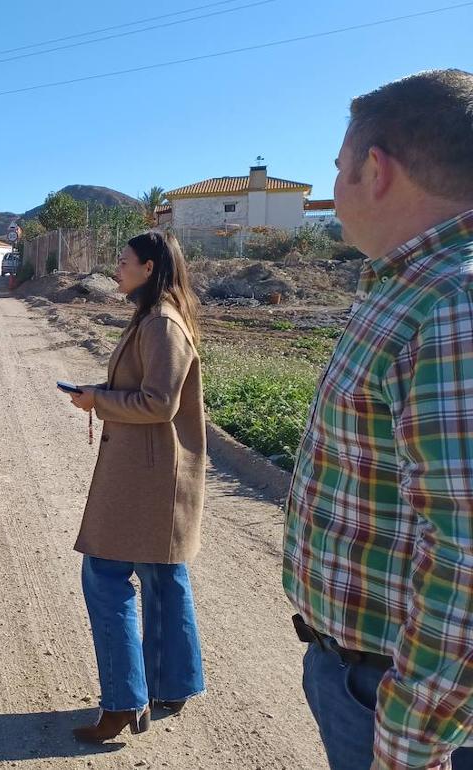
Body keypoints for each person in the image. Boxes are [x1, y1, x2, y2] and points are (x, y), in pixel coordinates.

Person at [284, 69, 473, 770]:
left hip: (399, 706)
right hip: (365, 676)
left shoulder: (454, 302)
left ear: (375, 168)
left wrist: (408, 742)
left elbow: (467, 557)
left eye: (338, 170)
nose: (333, 192)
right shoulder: (420, 285)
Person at [66, 230, 207, 742]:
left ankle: (125, 700)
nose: (117, 268)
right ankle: (175, 683)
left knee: (103, 576)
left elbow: (159, 403)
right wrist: (100, 393)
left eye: (124, 261)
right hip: (154, 474)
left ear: (149, 268)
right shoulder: (155, 317)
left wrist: (98, 402)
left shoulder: (162, 323)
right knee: (164, 577)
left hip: (150, 479)